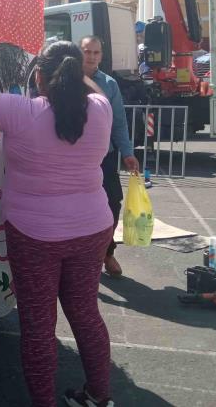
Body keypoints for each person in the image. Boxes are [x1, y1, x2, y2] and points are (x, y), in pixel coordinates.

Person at [0, 24, 115, 407]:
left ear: (39, 77)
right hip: (93, 227)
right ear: (79, 73)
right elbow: (91, 89)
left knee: (39, 327)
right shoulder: (101, 108)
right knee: (86, 314)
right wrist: (77, 76)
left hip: (35, 235)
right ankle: (99, 395)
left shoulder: (20, 112)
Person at [79, 36, 139, 278]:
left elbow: (119, 123)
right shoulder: (67, 81)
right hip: (74, 158)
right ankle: (81, 256)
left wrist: (127, 153)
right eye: (87, 51)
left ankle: (107, 252)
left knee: (112, 202)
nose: (91, 56)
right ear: (79, 52)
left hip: (105, 156)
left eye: (96, 52)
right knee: (78, 207)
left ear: (101, 55)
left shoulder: (110, 84)